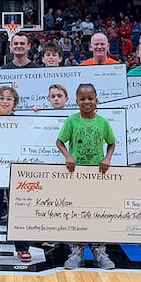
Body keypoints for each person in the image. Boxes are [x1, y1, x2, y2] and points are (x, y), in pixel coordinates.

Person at [56, 83, 117, 270]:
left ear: (96, 100)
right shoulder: (72, 121)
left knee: (98, 212)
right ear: (76, 101)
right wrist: (68, 156)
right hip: (77, 176)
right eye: (82, 99)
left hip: (98, 176)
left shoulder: (103, 122)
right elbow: (59, 141)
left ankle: (100, 252)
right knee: (76, 213)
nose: (87, 102)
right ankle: (76, 251)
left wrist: (107, 158)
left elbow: (112, 143)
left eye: (90, 98)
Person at [0, 86, 31, 266]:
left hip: (17, 173)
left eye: (9, 99)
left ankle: (22, 247)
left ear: (15, 103)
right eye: (1, 98)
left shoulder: (23, 123)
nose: (5, 101)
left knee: (18, 210)